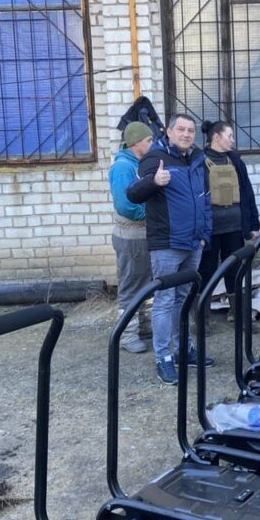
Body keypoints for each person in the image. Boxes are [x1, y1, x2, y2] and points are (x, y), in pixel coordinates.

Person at [127, 113, 213, 384]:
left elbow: (206, 200)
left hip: (193, 243)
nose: (186, 134)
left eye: (191, 130)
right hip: (167, 243)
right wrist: (154, 181)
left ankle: (183, 349)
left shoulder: (197, 159)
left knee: (183, 298)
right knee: (164, 301)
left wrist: (204, 235)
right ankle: (163, 357)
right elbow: (132, 194)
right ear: (169, 131)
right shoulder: (154, 158)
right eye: (181, 129)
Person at [198, 120, 260, 320]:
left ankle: (237, 314)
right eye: (229, 136)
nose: (233, 140)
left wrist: (253, 224)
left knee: (235, 270)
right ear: (216, 137)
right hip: (209, 229)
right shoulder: (199, 161)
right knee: (206, 271)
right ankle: (202, 319)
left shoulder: (235, 161)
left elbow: (247, 193)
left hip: (234, 227)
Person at [108, 122, 154, 352]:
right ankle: (126, 335)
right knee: (131, 285)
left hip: (141, 235)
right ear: (136, 143)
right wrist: (153, 212)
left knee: (143, 283)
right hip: (131, 235)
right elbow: (126, 206)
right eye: (149, 140)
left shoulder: (137, 164)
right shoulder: (123, 167)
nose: (152, 144)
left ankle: (142, 325)